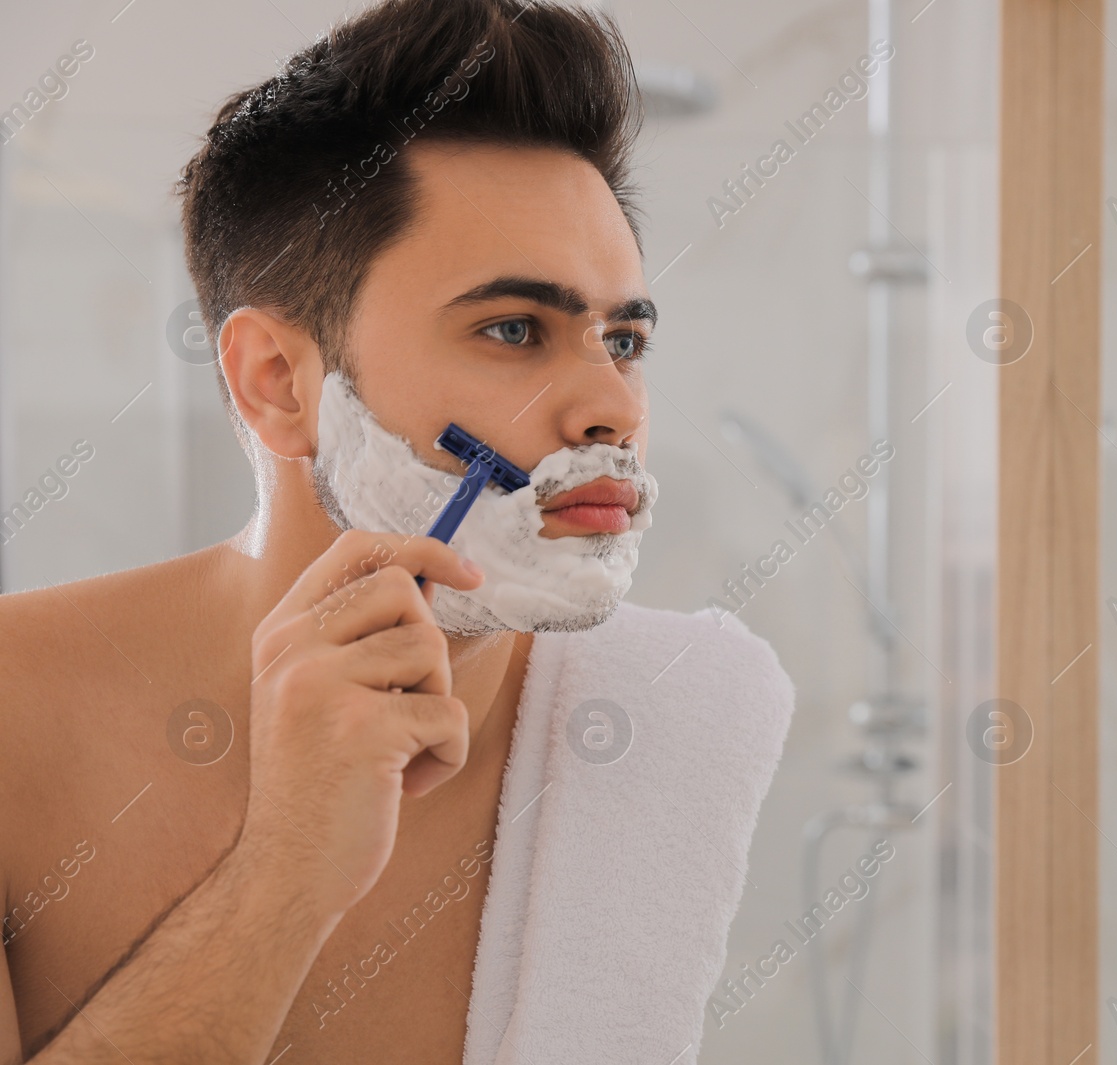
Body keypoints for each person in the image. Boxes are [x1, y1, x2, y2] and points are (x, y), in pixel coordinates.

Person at [0, 2, 783, 1061]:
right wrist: (282, 875)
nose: (615, 407)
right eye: (515, 329)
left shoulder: (676, 718)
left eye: (624, 337)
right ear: (278, 382)